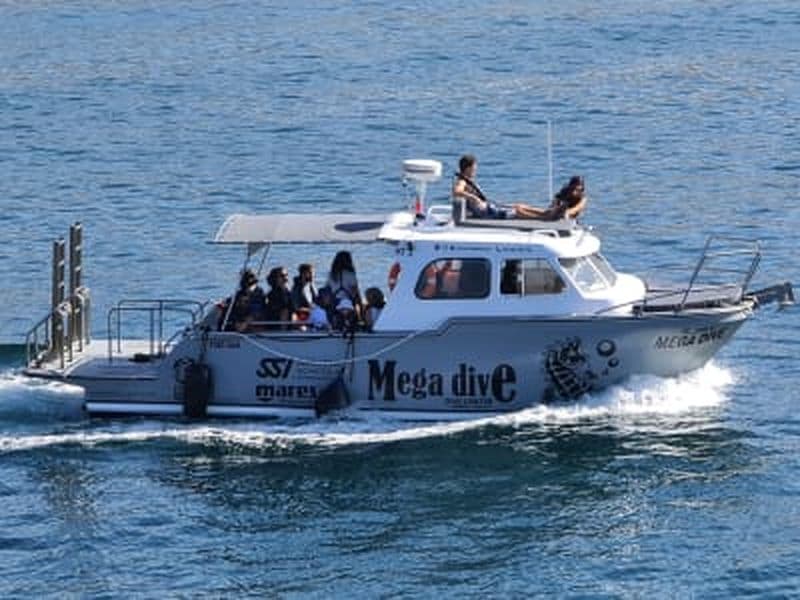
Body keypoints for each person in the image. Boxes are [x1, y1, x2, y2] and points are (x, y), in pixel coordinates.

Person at [452, 154, 587, 221]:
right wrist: (473, 197)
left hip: (488, 208)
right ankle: (544, 218)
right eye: (474, 168)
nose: (475, 170)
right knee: (517, 212)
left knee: (518, 205)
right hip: (486, 212)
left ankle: (547, 213)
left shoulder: (468, 181)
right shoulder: (462, 181)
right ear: (468, 168)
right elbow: (456, 191)